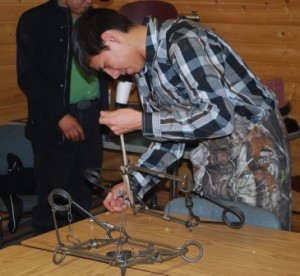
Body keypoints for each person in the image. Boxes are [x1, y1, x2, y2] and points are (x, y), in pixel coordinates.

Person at [72, 8, 291, 230]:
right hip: (213, 155)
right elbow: (169, 138)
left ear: (111, 38)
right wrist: (133, 185)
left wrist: (143, 121)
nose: (114, 75)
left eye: (106, 65)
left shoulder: (183, 40)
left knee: (258, 242)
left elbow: (220, 117)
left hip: (255, 148)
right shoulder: (144, 69)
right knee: (214, 240)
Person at [16, 1, 109, 234]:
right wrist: (60, 115)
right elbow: (28, 76)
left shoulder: (99, 19)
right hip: (54, 121)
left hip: (93, 116)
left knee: (84, 192)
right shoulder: (34, 19)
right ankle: (46, 258)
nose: (88, 1)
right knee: (53, 198)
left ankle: (81, 252)